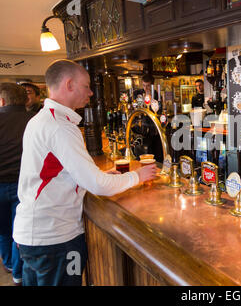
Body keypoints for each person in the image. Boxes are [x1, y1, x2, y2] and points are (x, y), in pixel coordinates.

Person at [13, 59, 157, 286]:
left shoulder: (41, 119)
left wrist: (101, 175)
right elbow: (97, 185)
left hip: (34, 233)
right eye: (86, 86)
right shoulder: (59, 126)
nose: (91, 92)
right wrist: (138, 176)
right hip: (55, 239)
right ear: (69, 84)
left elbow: (54, 173)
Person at [0, 83, 35, 286]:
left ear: (2, 101)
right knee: (19, 231)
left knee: (4, 230)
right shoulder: (34, 120)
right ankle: (18, 272)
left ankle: (9, 264)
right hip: (25, 185)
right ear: (26, 100)